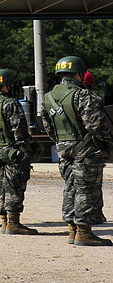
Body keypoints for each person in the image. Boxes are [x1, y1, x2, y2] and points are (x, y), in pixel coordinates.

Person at [44, 55, 113, 246]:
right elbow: (96, 125)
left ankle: (72, 230)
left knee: (71, 187)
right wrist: (108, 142)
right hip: (86, 151)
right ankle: (84, 232)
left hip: (64, 151)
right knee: (86, 190)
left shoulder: (48, 98)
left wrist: (62, 144)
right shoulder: (84, 96)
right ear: (79, 73)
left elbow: (49, 128)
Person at [0, 69, 38, 236]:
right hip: (12, 152)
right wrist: (27, 149)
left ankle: (5, 221)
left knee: (1, 185)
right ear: (6, 85)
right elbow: (19, 130)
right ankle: (13, 222)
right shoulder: (10, 103)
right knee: (15, 185)